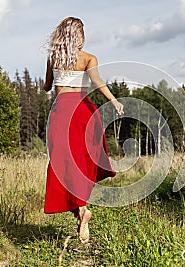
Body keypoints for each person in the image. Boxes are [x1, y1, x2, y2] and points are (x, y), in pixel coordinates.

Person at [42, 17, 124, 244]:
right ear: (80, 36)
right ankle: (82, 210)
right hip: (84, 111)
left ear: (61, 34)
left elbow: (48, 86)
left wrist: (54, 78)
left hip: (61, 112)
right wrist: (114, 100)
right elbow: (97, 82)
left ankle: (80, 210)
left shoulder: (53, 58)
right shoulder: (89, 58)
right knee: (81, 161)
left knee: (63, 163)